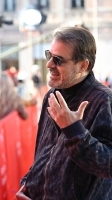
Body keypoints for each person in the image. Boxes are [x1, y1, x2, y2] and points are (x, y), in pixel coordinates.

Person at [16, 27, 112, 200]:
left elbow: (108, 165)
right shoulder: (51, 94)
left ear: (83, 65)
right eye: (49, 55)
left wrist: (74, 132)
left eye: (58, 60)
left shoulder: (104, 101)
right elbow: (44, 153)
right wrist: (28, 183)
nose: (49, 64)